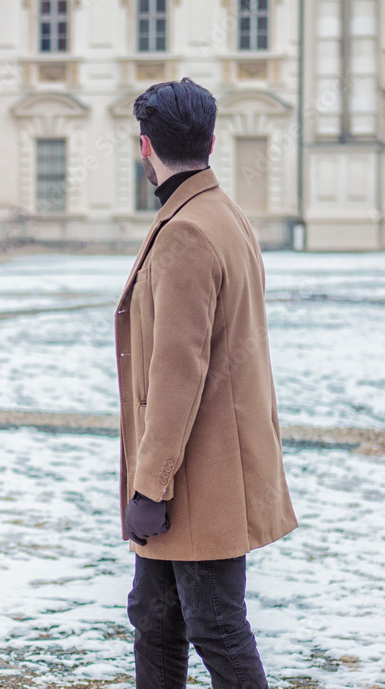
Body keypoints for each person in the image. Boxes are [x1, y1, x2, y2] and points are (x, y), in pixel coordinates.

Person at [115, 78, 298, 689]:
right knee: (155, 618)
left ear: (146, 147)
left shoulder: (188, 230)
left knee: (216, 628)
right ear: (212, 140)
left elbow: (178, 371)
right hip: (211, 468)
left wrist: (150, 488)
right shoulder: (223, 213)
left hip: (198, 477)